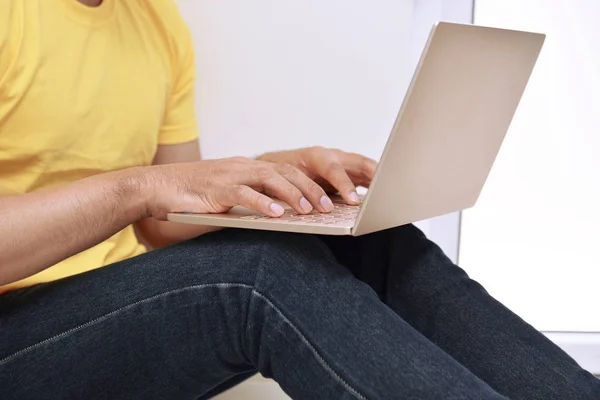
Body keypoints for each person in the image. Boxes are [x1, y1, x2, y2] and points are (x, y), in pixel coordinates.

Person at [0, 0, 598, 399]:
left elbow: (160, 222)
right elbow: (145, 193)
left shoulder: (155, 21)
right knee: (253, 276)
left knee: (375, 244)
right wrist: (136, 186)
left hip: (97, 303)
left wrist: (264, 177)